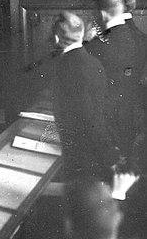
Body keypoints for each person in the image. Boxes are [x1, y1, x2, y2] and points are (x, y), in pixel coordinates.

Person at [52, 12, 121, 181]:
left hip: (83, 155)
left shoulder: (65, 66)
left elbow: (88, 116)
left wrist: (108, 157)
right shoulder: (93, 62)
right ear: (82, 34)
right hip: (95, 146)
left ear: (56, 38)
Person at [85, 0, 147, 170]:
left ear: (103, 14)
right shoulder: (140, 37)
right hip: (133, 111)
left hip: (107, 115)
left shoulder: (98, 45)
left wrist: (86, 41)